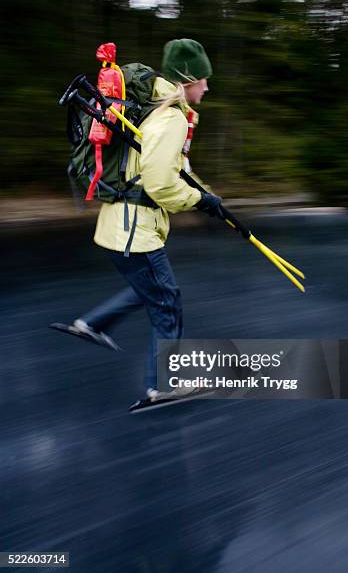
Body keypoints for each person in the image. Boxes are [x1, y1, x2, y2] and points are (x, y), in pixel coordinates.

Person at [54, 39, 223, 411]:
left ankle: (91, 324)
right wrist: (199, 202)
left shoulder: (154, 110)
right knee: (167, 303)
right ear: (188, 78)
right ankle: (162, 386)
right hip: (137, 232)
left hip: (117, 228)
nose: (207, 87)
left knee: (149, 289)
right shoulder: (170, 117)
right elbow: (161, 183)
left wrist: (210, 200)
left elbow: (179, 171)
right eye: (205, 79)